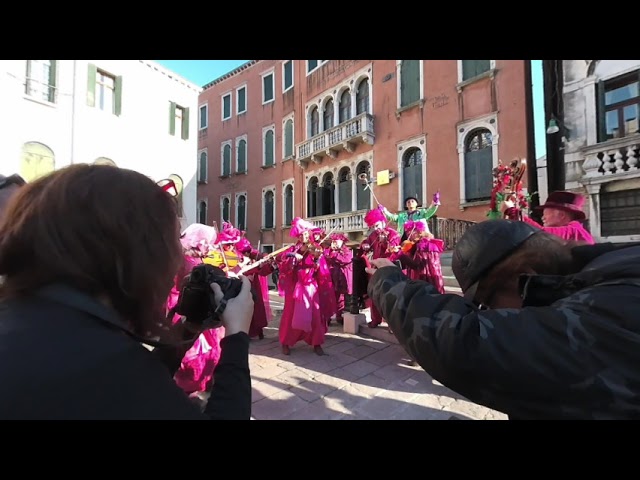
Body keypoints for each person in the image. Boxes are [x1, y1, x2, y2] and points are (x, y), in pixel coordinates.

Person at [0, 164, 253, 420]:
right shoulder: (102, 363)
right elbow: (132, 379)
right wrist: (237, 335)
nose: (178, 258)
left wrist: (189, 329)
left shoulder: (36, 316)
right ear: (135, 253)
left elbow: (143, 377)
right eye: (171, 240)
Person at [366, 219, 640, 419]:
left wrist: (386, 278)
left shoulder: (606, 307)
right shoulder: (610, 270)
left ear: (525, 277)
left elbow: (463, 344)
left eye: (488, 300)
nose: (490, 312)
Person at [277, 217, 335, 356]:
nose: (304, 236)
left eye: (306, 233)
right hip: (295, 286)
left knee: (315, 315)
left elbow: (321, 269)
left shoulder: (316, 248)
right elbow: (284, 267)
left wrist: (316, 261)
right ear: (298, 236)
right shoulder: (293, 249)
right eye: (301, 234)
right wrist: (293, 259)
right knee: (290, 314)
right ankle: (286, 342)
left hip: (311, 287)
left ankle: (317, 343)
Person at [504, 190, 595, 244]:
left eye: (545, 213)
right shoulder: (576, 230)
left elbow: (541, 234)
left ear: (561, 215)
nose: (542, 218)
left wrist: (513, 211)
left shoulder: (575, 230)